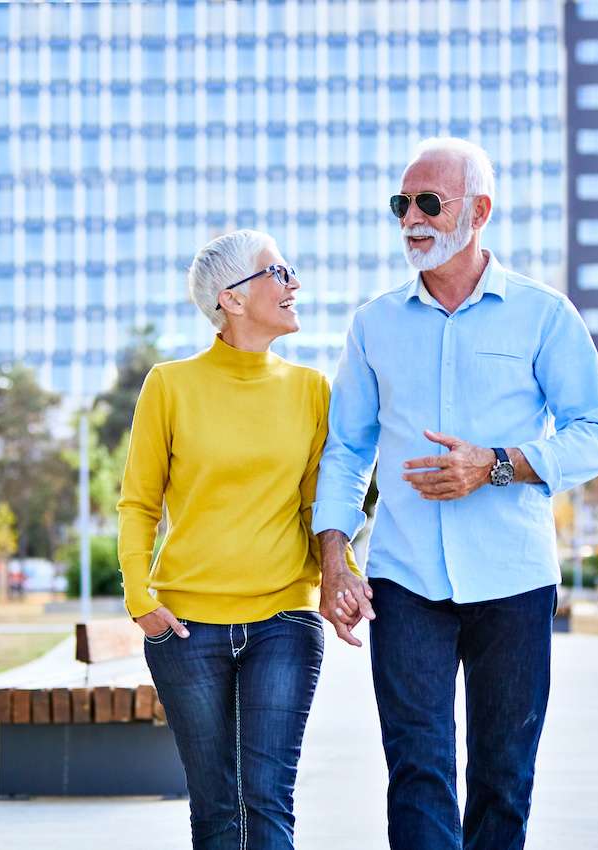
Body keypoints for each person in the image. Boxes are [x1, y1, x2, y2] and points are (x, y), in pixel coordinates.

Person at [313, 137, 598, 850]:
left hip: (512, 579)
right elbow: (347, 451)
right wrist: (334, 554)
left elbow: (595, 434)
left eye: (428, 203)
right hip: (405, 577)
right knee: (418, 771)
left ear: (479, 211)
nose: (410, 219)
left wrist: (499, 464)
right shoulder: (373, 325)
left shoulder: (544, 314)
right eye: (401, 204)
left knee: (503, 779)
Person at [117, 229, 357, 850]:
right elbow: (139, 503)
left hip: (283, 621)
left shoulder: (311, 391)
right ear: (232, 298)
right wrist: (141, 601)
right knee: (217, 808)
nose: (294, 284)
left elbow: (319, 504)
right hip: (187, 630)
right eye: (279, 273)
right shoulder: (170, 385)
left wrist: (342, 573)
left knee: (269, 801)